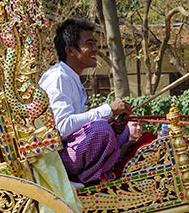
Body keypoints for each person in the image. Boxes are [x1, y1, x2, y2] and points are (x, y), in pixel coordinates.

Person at [39, 17, 132, 185]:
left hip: (73, 149)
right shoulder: (58, 77)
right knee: (101, 129)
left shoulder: (71, 77)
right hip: (58, 156)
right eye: (89, 44)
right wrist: (107, 110)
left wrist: (113, 120)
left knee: (122, 130)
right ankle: (90, 178)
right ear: (71, 50)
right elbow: (63, 126)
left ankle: (103, 171)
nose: (96, 49)